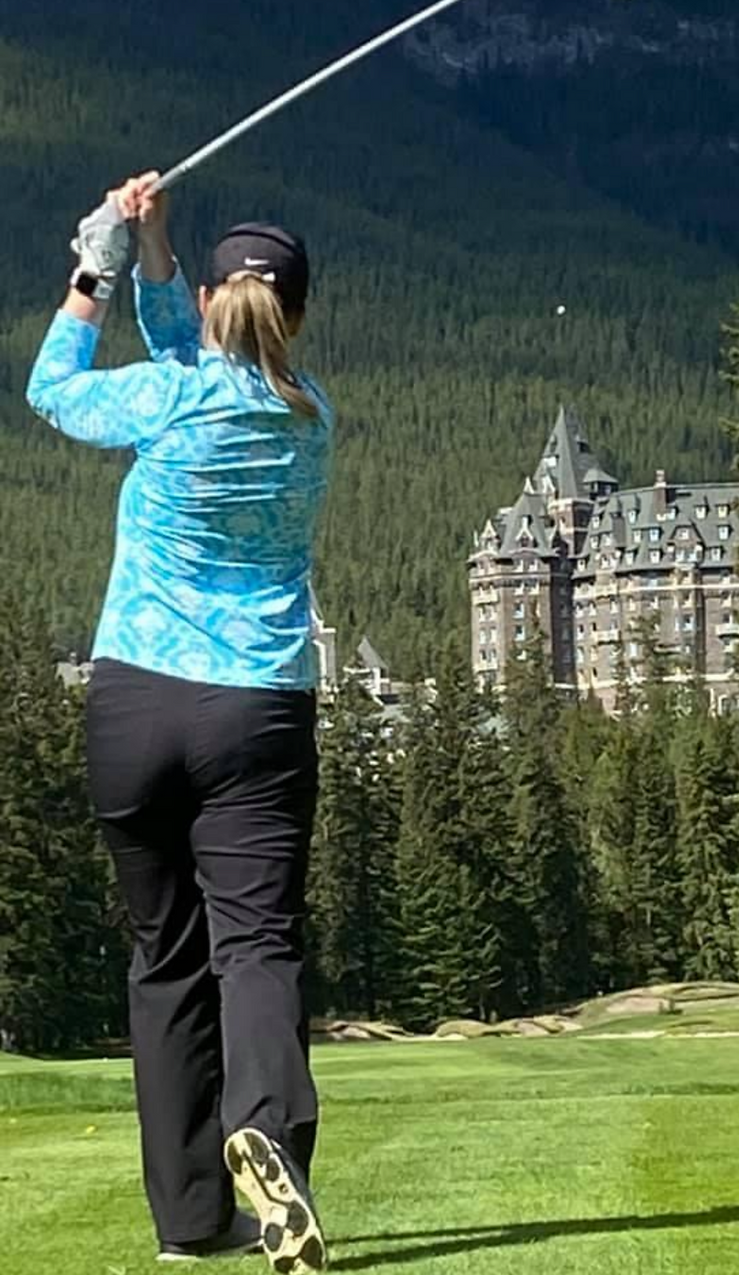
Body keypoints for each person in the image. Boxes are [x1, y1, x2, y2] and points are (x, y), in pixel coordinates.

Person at [26, 173, 332, 1273]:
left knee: (164, 959)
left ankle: (190, 1218)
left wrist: (93, 266)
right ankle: (269, 1130)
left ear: (210, 306)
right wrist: (152, 244)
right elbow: (194, 354)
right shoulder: (308, 417)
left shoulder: (168, 400)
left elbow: (52, 387)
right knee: (253, 948)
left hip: (135, 707)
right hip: (256, 715)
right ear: (291, 316)